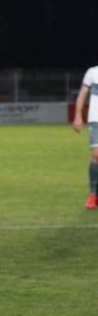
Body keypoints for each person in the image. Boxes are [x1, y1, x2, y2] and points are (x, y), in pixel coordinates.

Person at [70, 64, 98, 209]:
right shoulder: (92, 72)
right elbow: (82, 94)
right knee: (96, 155)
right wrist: (78, 115)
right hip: (95, 119)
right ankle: (93, 194)